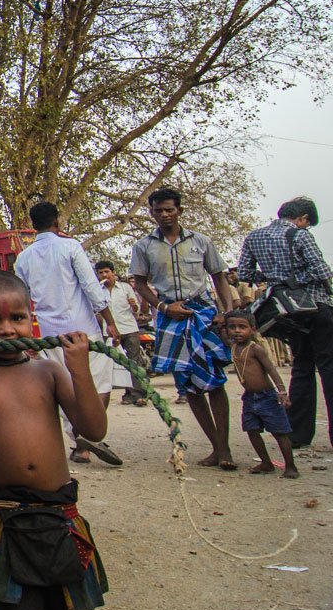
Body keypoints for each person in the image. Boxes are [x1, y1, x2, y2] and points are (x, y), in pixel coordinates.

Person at [0, 270, 109, 610]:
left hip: (58, 515)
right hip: (3, 517)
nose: (6, 329)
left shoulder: (48, 371)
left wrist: (80, 369)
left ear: (31, 317)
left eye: (17, 318)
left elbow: (93, 429)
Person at [129, 187, 237, 470]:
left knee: (215, 380)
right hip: (170, 316)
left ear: (179, 210)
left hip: (203, 312)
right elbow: (140, 284)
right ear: (151, 213)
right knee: (189, 384)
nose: (164, 215)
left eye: (169, 209)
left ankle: (224, 449)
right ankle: (215, 447)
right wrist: (163, 308)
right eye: (158, 210)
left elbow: (219, 278)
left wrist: (225, 313)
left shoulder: (201, 241)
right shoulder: (143, 246)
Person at [13, 202, 122, 466]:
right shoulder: (70, 246)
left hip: (51, 333)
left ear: (33, 225)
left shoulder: (23, 258)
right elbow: (92, 288)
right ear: (57, 223)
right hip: (82, 330)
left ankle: (79, 444)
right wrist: (110, 322)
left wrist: (28, 336)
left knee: (67, 387)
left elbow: (22, 300)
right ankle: (89, 435)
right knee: (100, 383)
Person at [237, 197, 333, 450]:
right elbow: (322, 272)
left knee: (302, 368)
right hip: (316, 305)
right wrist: (301, 279)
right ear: (302, 218)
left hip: (287, 311)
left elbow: (245, 275)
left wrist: (274, 278)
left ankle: (298, 435)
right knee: (329, 367)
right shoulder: (299, 236)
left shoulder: (254, 237)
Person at [224, 311, 298, 478]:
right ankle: (266, 462)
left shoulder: (255, 349)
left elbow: (270, 369)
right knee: (252, 429)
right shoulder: (233, 346)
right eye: (232, 327)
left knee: (279, 432)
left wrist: (281, 391)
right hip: (249, 397)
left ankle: (291, 466)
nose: (237, 331)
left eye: (242, 327)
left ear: (252, 329)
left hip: (267, 396)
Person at [94, 261, 147, 405]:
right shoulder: (97, 291)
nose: (105, 275)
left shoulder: (125, 288)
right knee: (114, 363)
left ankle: (138, 394)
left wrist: (134, 305)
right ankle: (127, 393)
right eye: (101, 273)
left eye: (106, 272)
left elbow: (136, 310)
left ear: (113, 272)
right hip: (109, 332)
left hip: (128, 329)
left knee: (133, 361)